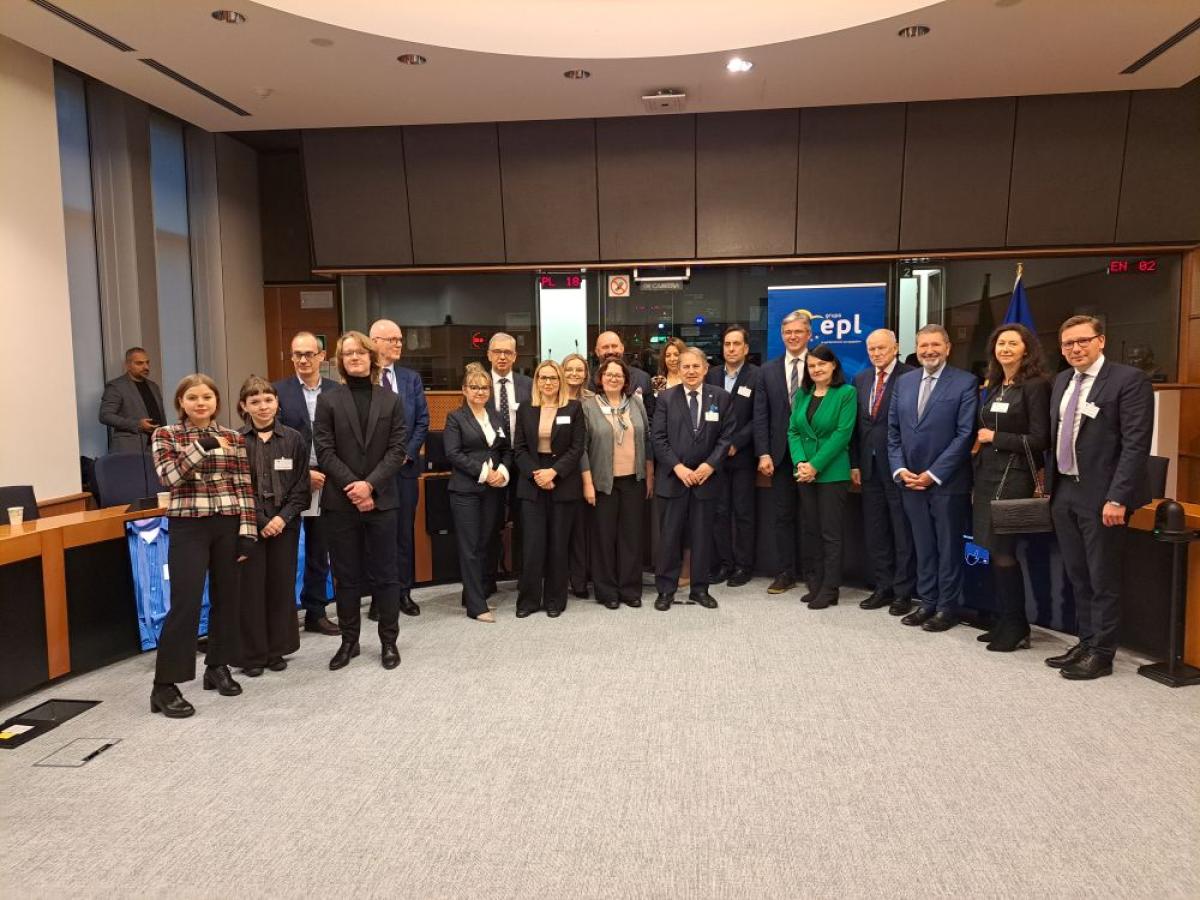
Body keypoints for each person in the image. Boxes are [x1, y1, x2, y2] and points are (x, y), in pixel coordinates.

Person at [1045, 314, 1153, 680]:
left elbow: (1136, 443)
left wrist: (1118, 497)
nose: (1075, 348)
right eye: (1068, 343)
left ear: (1101, 340)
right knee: (1078, 573)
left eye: (1083, 341)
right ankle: (1087, 641)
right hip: (1065, 490)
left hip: (1103, 495)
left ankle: (1103, 653)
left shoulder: (1128, 380)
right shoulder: (1062, 380)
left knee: (1102, 576)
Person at [149, 374, 256, 719]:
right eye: (192, 397)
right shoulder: (166, 435)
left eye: (207, 397)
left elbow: (243, 486)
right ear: (181, 402)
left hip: (228, 522)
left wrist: (248, 531)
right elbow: (169, 477)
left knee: (228, 599)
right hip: (189, 525)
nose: (200, 403)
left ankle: (217, 666)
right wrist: (202, 446)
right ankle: (165, 685)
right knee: (187, 603)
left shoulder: (233, 437)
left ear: (216, 402)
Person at [313, 331, 408, 671]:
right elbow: (324, 451)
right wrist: (354, 487)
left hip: (382, 501)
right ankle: (349, 641)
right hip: (341, 503)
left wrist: (369, 486)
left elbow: (397, 450)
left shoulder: (391, 400)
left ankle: (389, 642)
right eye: (348, 353)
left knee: (386, 575)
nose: (354, 357)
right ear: (341, 361)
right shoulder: (328, 401)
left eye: (360, 352)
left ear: (371, 357)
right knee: (347, 576)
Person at [887, 324, 978, 633]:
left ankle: (946, 608)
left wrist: (933, 474)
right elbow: (893, 432)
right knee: (923, 545)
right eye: (923, 345)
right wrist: (900, 469)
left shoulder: (965, 382)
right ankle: (927, 602)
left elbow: (965, 435)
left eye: (935, 345)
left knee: (948, 547)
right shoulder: (904, 382)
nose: (929, 351)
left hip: (946, 483)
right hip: (909, 481)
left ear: (948, 348)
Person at [970, 324, 1052, 652]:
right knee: (991, 549)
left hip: (1015, 477)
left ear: (1026, 349)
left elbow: (1041, 439)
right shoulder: (995, 385)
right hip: (988, 475)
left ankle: (1017, 625)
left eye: (1012, 343)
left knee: (1004, 551)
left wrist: (996, 437)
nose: (1005, 348)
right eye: (1000, 343)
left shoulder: (1035, 386)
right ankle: (1005, 619)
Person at [235, 376, 309, 676]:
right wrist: (263, 521)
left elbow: (301, 486)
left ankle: (277, 649)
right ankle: (253, 655)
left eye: (268, 400)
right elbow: (238, 488)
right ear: (244, 406)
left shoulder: (294, 439)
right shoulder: (236, 441)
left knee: (281, 586)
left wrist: (281, 519)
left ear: (277, 403)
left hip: (285, 525)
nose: (263, 406)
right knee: (250, 589)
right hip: (249, 526)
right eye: (255, 401)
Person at [652, 347, 735, 610]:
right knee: (669, 538)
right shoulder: (665, 398)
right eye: (685, 366)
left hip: (705, 481)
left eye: (695, 366)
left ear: (705, 368)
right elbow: (658, 438)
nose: (690, 371)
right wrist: (678, 468)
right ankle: (666, 590)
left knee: (702, 538)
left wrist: (709, 466)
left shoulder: (720, 397)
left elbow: (726, 437)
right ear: (678, 369)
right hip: (673, 479)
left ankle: (700, 589)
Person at [273, 332, 340, 636]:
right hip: (289, 483)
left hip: (326, 480)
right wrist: (303, 475)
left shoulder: (337, 391)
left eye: (309, 354)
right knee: (285, 553)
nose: (303, 360)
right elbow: (273, 441)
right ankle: (283, 617)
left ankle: (316, 611)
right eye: (297, 354)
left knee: (319, 549)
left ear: (321, 356)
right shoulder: (278, 391)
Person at [850, 329, 917, 616]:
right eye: (872, 349)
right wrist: (855, 463)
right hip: (869, 467)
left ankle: (903, 592)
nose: (876, 353)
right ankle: (882, 586)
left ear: (895, 347)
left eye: (881, 348)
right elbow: (857, 426)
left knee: (901, 531)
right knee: (875, 530)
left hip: (899, 466)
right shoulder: (862, 379)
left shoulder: (911, 376)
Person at [513, 360, 586, 618]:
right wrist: (537, 475)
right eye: (543, 378)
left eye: (553, 378)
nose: (548, 382)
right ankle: (528, 601)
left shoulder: (573, 408)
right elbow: (519, 449)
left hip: (562, 481)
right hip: (532, 481)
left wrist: (554, 472)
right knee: (532, 546)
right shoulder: (526, 408)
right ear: (536, 381)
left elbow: (577, 447)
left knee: (558, 544)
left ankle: (555, 600)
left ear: (560, 381)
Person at [580, 358, 654, 610]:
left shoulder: (636, 403)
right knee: (604, 538)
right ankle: (606, 591)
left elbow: (647, 439)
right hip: (603, 482)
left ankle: (630, 589)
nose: (613, 378)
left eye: (618, 375)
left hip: (634, 479)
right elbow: (582, 448)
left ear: (625, 380)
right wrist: (587, 483)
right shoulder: (588, 406)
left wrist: (649, 475)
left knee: (631, 538)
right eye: (609, 374)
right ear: (600, 378)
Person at [788, 345, 857, 609]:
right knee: (811, 530)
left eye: (821, 364)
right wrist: (800, 463)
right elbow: (793, 431)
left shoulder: (846, 393)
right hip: (804, 473)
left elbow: (842, 434)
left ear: (833, 366)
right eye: (812, 365)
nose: (816, 369)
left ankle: (830, 588)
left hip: (831, 473)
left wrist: (815, 465)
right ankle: (815, 584)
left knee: (830, 533)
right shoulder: (802, 394)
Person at [369, 318, 429, 618]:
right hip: (372, 474)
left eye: (400, 339)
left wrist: (405, 454)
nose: (398, 344)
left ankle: (403, 592)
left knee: (404, 533)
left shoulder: (410, 379)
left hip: (404, 470)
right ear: (374, 342)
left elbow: (422, 421)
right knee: (377, 536)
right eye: (391, 339)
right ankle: (379, 597)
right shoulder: (363, 378)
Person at [753, 310, 815, 594]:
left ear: (809, 334)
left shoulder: (820, 365)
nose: (793, 336)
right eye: (788, 332)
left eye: (798, 331)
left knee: (811, 517)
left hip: (813, 457)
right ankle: (785, 573)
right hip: (779, 456)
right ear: (781, 335)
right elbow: (760, 415)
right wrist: (763, 453)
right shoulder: (767, 370)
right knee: (783, 516)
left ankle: (813, 573)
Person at [444, 364, 512, 622]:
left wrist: (502, 471)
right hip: (466, 491)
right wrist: (485, 473)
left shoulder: (495, 416)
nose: (480, 391)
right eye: (474, 387)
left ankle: (473, 594)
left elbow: (506, 449)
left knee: (485, 543)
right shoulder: (455, 418)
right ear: (464, 390)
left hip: (492, 491)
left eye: (484, 387)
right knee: (470, 547)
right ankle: (476, 606)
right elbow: (453, 453)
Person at [706, 325, 760, 586]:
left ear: (746, 348)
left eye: (736, 344)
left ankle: (743, 566)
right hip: (715, 456)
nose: (731, 348)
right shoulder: (711, 374)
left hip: (741, 456)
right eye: (727, 344)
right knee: (719, 512)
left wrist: (736, 442)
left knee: (743, 513)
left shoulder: (756, 376)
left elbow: (758, 417)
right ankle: (724, 564)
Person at [484, 332, 532, 593]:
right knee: (490, 523)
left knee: (525, 522)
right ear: (489, 354)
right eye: (497, 352)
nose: (502, 357)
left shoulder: (528, 385)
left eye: (507, 352)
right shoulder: (480, 384)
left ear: (515, 356)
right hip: (491, 465)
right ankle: (488, 579)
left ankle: (525, 579)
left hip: (522, 462)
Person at [561, 352, 593, 597]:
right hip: (561, 472)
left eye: (579, 369)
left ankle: (580, 580)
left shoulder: (593, 400)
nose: (574, 374)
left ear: (586, 374)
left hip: (589, 469)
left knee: (583, 531)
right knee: (563, 529)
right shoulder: (553, 398)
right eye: (569, 369)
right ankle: (560, 579)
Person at [99, 347, 165, 453]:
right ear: (127, 365)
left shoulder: (153, 386)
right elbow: (105, 416)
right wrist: (137, 424)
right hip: (130, 448)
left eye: (147, 362)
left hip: (157, 447)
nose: (146, 367)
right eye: (139, 363)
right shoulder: (116, 386)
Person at [594, 330, 655, 421]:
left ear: (622, 348)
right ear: (597, 351)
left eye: (614, 346)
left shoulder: (642, 378)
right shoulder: (587, 380)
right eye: (605, 347)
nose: (610, 351)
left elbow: (650, 418)